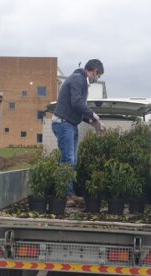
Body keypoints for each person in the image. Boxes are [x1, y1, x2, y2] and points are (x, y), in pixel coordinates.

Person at [52, 59, 105, 206]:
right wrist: (93, 114)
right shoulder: (78, 79)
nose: (97, 78)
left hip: (70, 123)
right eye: (98, 75)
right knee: (68, 159)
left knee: (72, 160)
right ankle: (66, 195)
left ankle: (70, 194)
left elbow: (76, 110)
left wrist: (91, 122)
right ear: (94, 71)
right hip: (63, 123)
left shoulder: (80, 81)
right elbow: (77, 103)